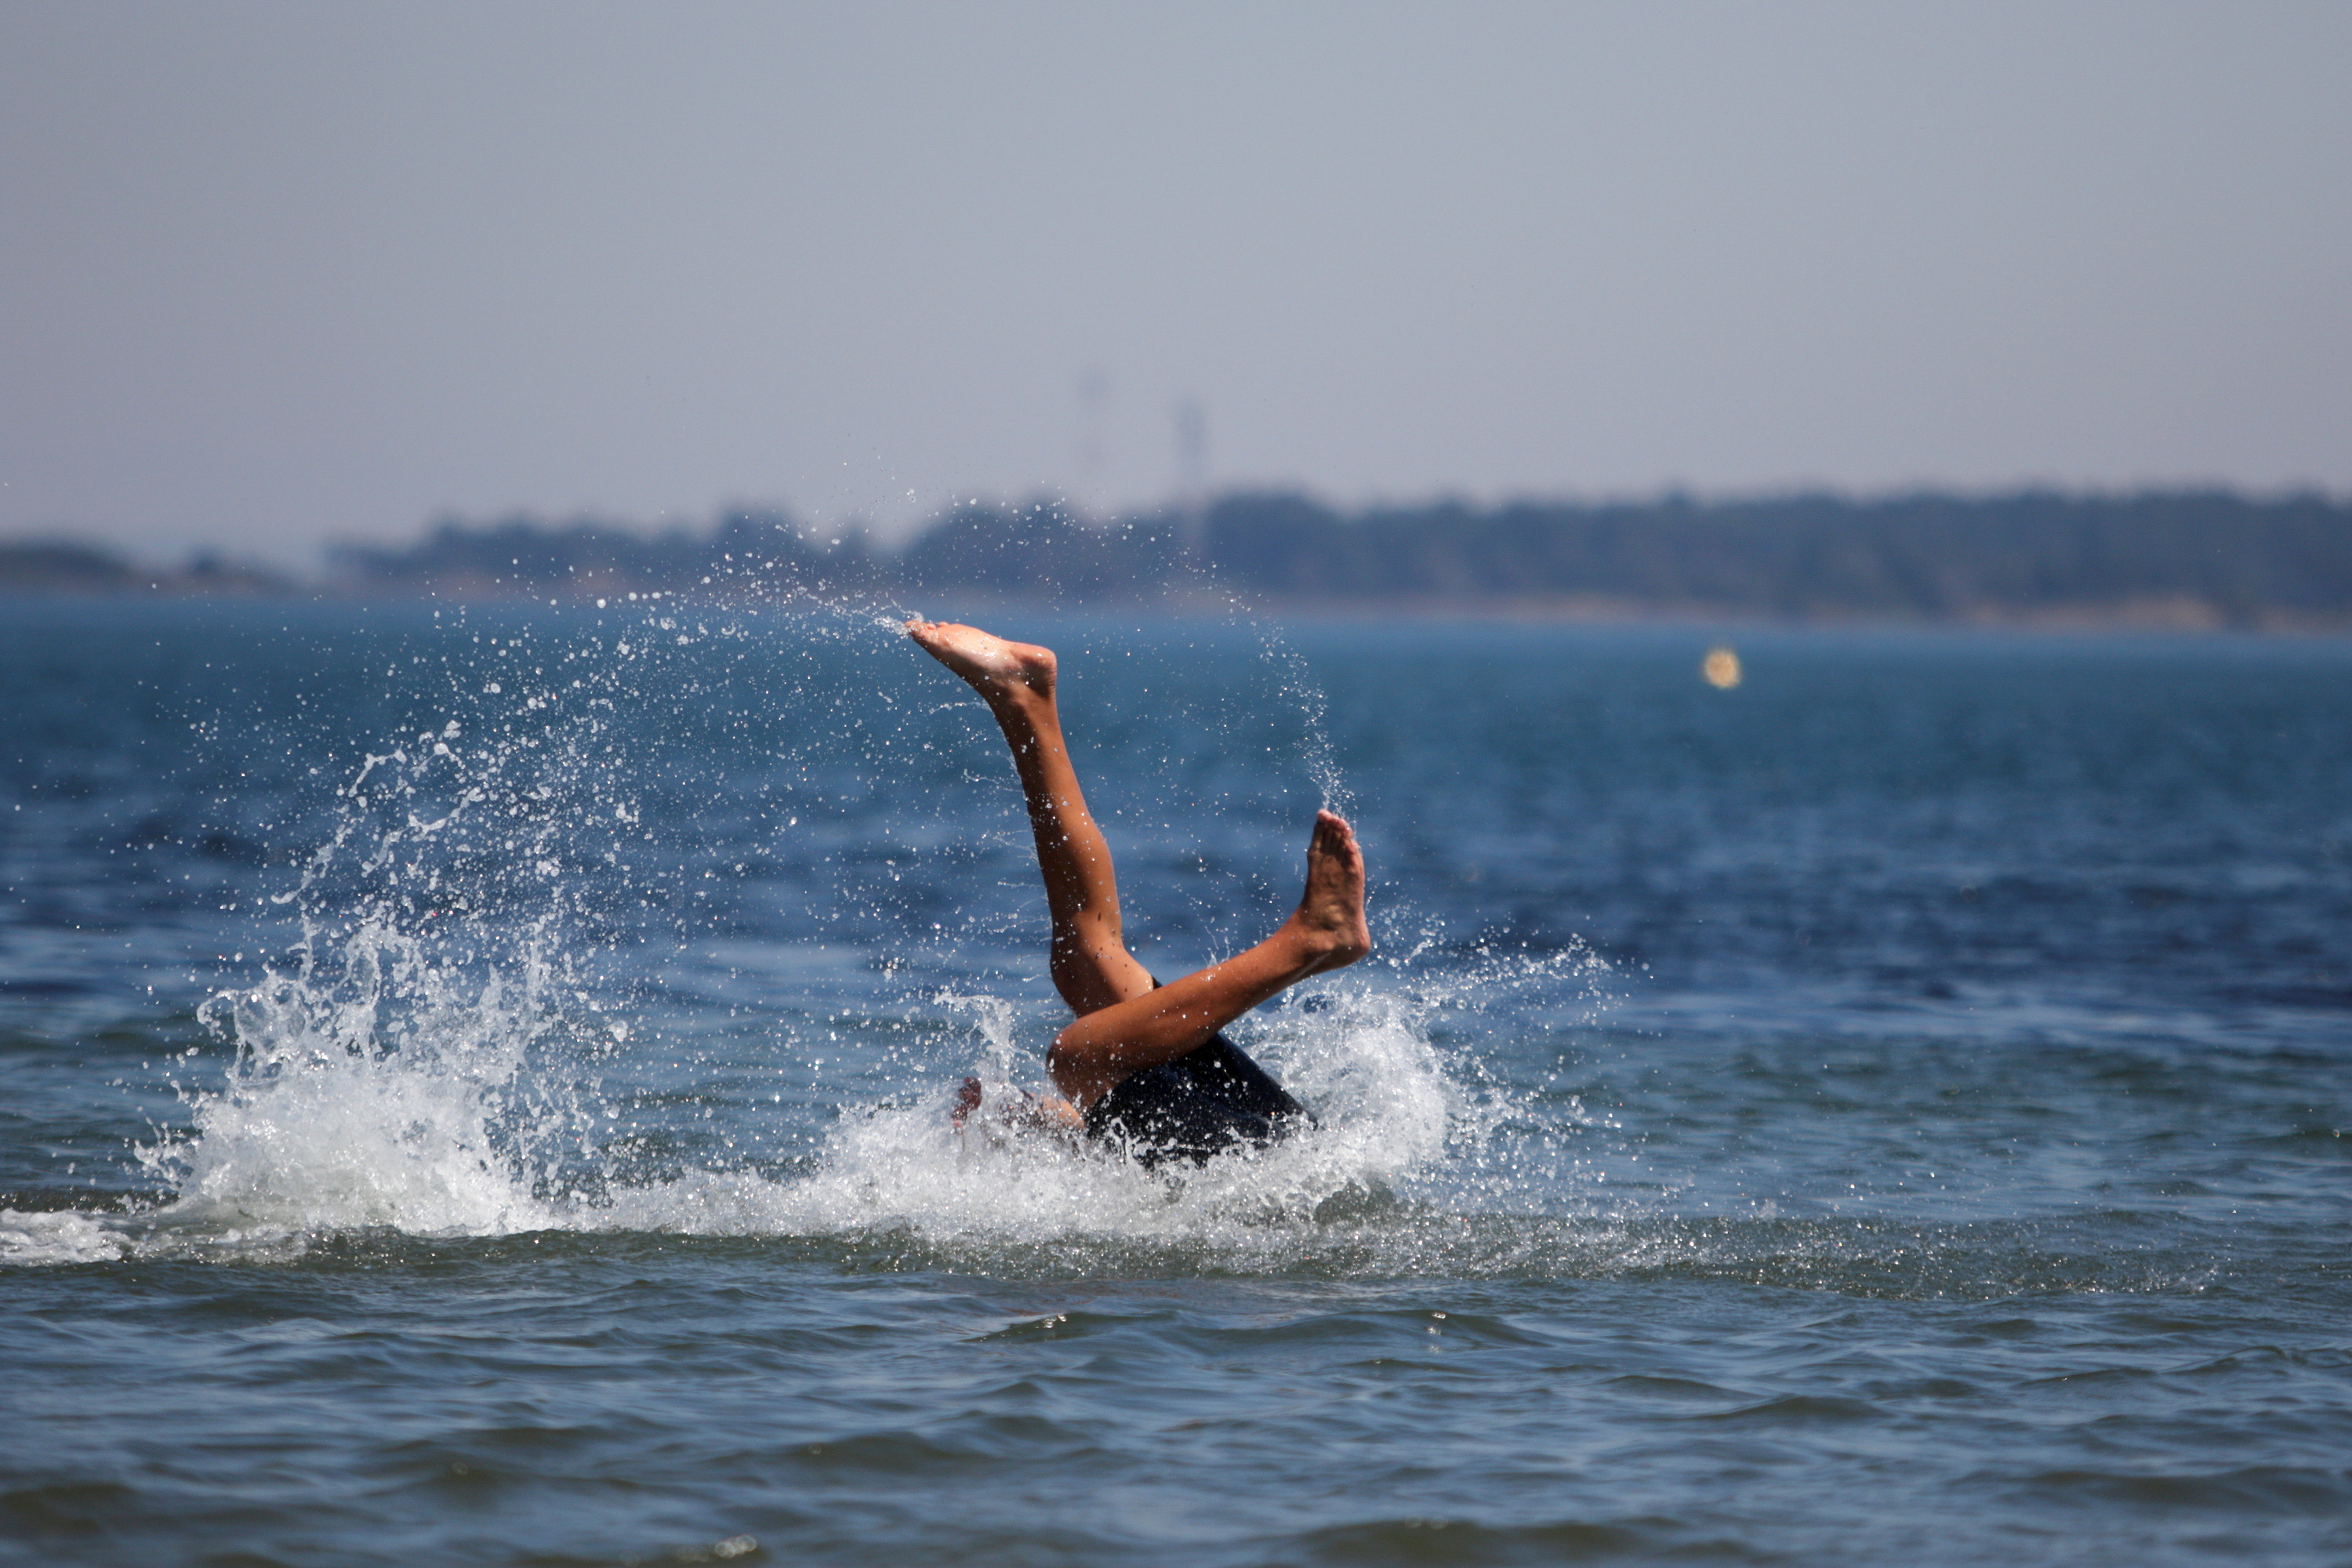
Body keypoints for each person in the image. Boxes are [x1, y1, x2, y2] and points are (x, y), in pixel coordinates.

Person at [907, 619, 1370, 1166]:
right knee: (1086, 997)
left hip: (1278, 1168)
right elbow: (1151, 1160)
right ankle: (1024, 700)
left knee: (1083, 1019)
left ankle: (1312, 938)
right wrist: (1042, 1120)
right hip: (1281, 1157)